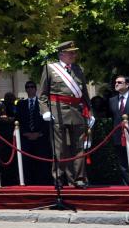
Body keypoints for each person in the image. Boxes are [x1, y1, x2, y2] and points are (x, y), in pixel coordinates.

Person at [38, 41, 92, 188]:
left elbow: (84, 93)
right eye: (71, 53)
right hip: (58, 112)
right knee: (60, 148)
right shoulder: (50, 69)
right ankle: (59, 179)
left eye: (74, 52)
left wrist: (89, 111)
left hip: (77, 112)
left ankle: (79, 178)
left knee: (79, 147)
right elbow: (42, 94)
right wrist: (45, 111)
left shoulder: (78, 69)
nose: (74, 55)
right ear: (61, 54)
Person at [108, 76, 129, 186]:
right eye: (115, 82)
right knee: (123, 164)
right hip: (119, 136)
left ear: (127, 85)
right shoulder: (112, 100)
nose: (116, 84)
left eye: (119, 82)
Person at [15, 81, 51, 185]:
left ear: (35, 89)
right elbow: (18, 121)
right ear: (26, 89)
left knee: (41, 162)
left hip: (40, 138)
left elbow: (46, 121)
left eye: (32, 87)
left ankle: (42, 183)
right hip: (26, 138)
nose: (30, 89)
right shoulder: (21, 104)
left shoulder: (42, 103)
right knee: (27, 162)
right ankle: (28, 182)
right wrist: (25, 133)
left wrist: (39, 134)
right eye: (28, 87)